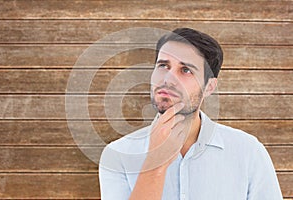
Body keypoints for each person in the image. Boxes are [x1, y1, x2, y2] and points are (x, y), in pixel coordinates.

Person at [99, 28, 283, 200]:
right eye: (163, 65)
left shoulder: (248, 152)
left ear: (209, 87)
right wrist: (155, 163)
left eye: (185, 70)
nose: (168, 79)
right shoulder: (117, 156)